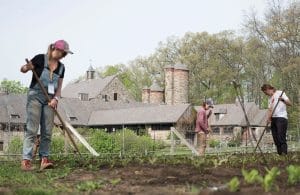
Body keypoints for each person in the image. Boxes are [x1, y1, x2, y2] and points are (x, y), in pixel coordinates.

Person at [20, 40, 73, 171]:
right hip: (35, 96)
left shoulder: (61, 68)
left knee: (47, 131)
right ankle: (26, 160)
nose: (63, 55)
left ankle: (45, 159)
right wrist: (27, 68)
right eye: (62, 52)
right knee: (32, 128)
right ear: (54, 49)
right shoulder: (40, 58)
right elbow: (23, 69)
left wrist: (56, 99)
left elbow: (59, 88)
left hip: (50, 100)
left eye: (65, 54)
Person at [261, 84, 292, 155]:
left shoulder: (280, 93)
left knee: (280, 136)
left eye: (265, 92)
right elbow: (270, 110)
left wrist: (282, 100)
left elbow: (290, 103)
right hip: (273, 119)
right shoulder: (269, 98)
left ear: (268, 89)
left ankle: (284, 153)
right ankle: (279, 154)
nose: (265, 94)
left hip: (281, 118)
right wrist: (268, 118)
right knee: (275, 138)